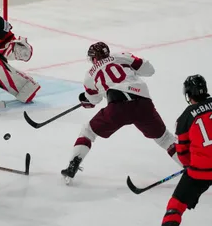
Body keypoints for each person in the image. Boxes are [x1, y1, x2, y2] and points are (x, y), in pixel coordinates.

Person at [61, 42, 180, 184]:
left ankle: (73, 164)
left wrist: (86, 100)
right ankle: (191, 164)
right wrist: (133, 71)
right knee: (165, 138)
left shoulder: (89, 75)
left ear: (93, 59)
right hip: (143, 103)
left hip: (118, 108)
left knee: (88, 131)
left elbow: (93, 100)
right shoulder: (122, 57)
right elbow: (149, 70)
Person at [161, 74, 212, 226]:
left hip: (200, 171)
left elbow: (183, 154)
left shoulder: (184, 118)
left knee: (175, 206)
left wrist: (189, 165)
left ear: (188, 94)